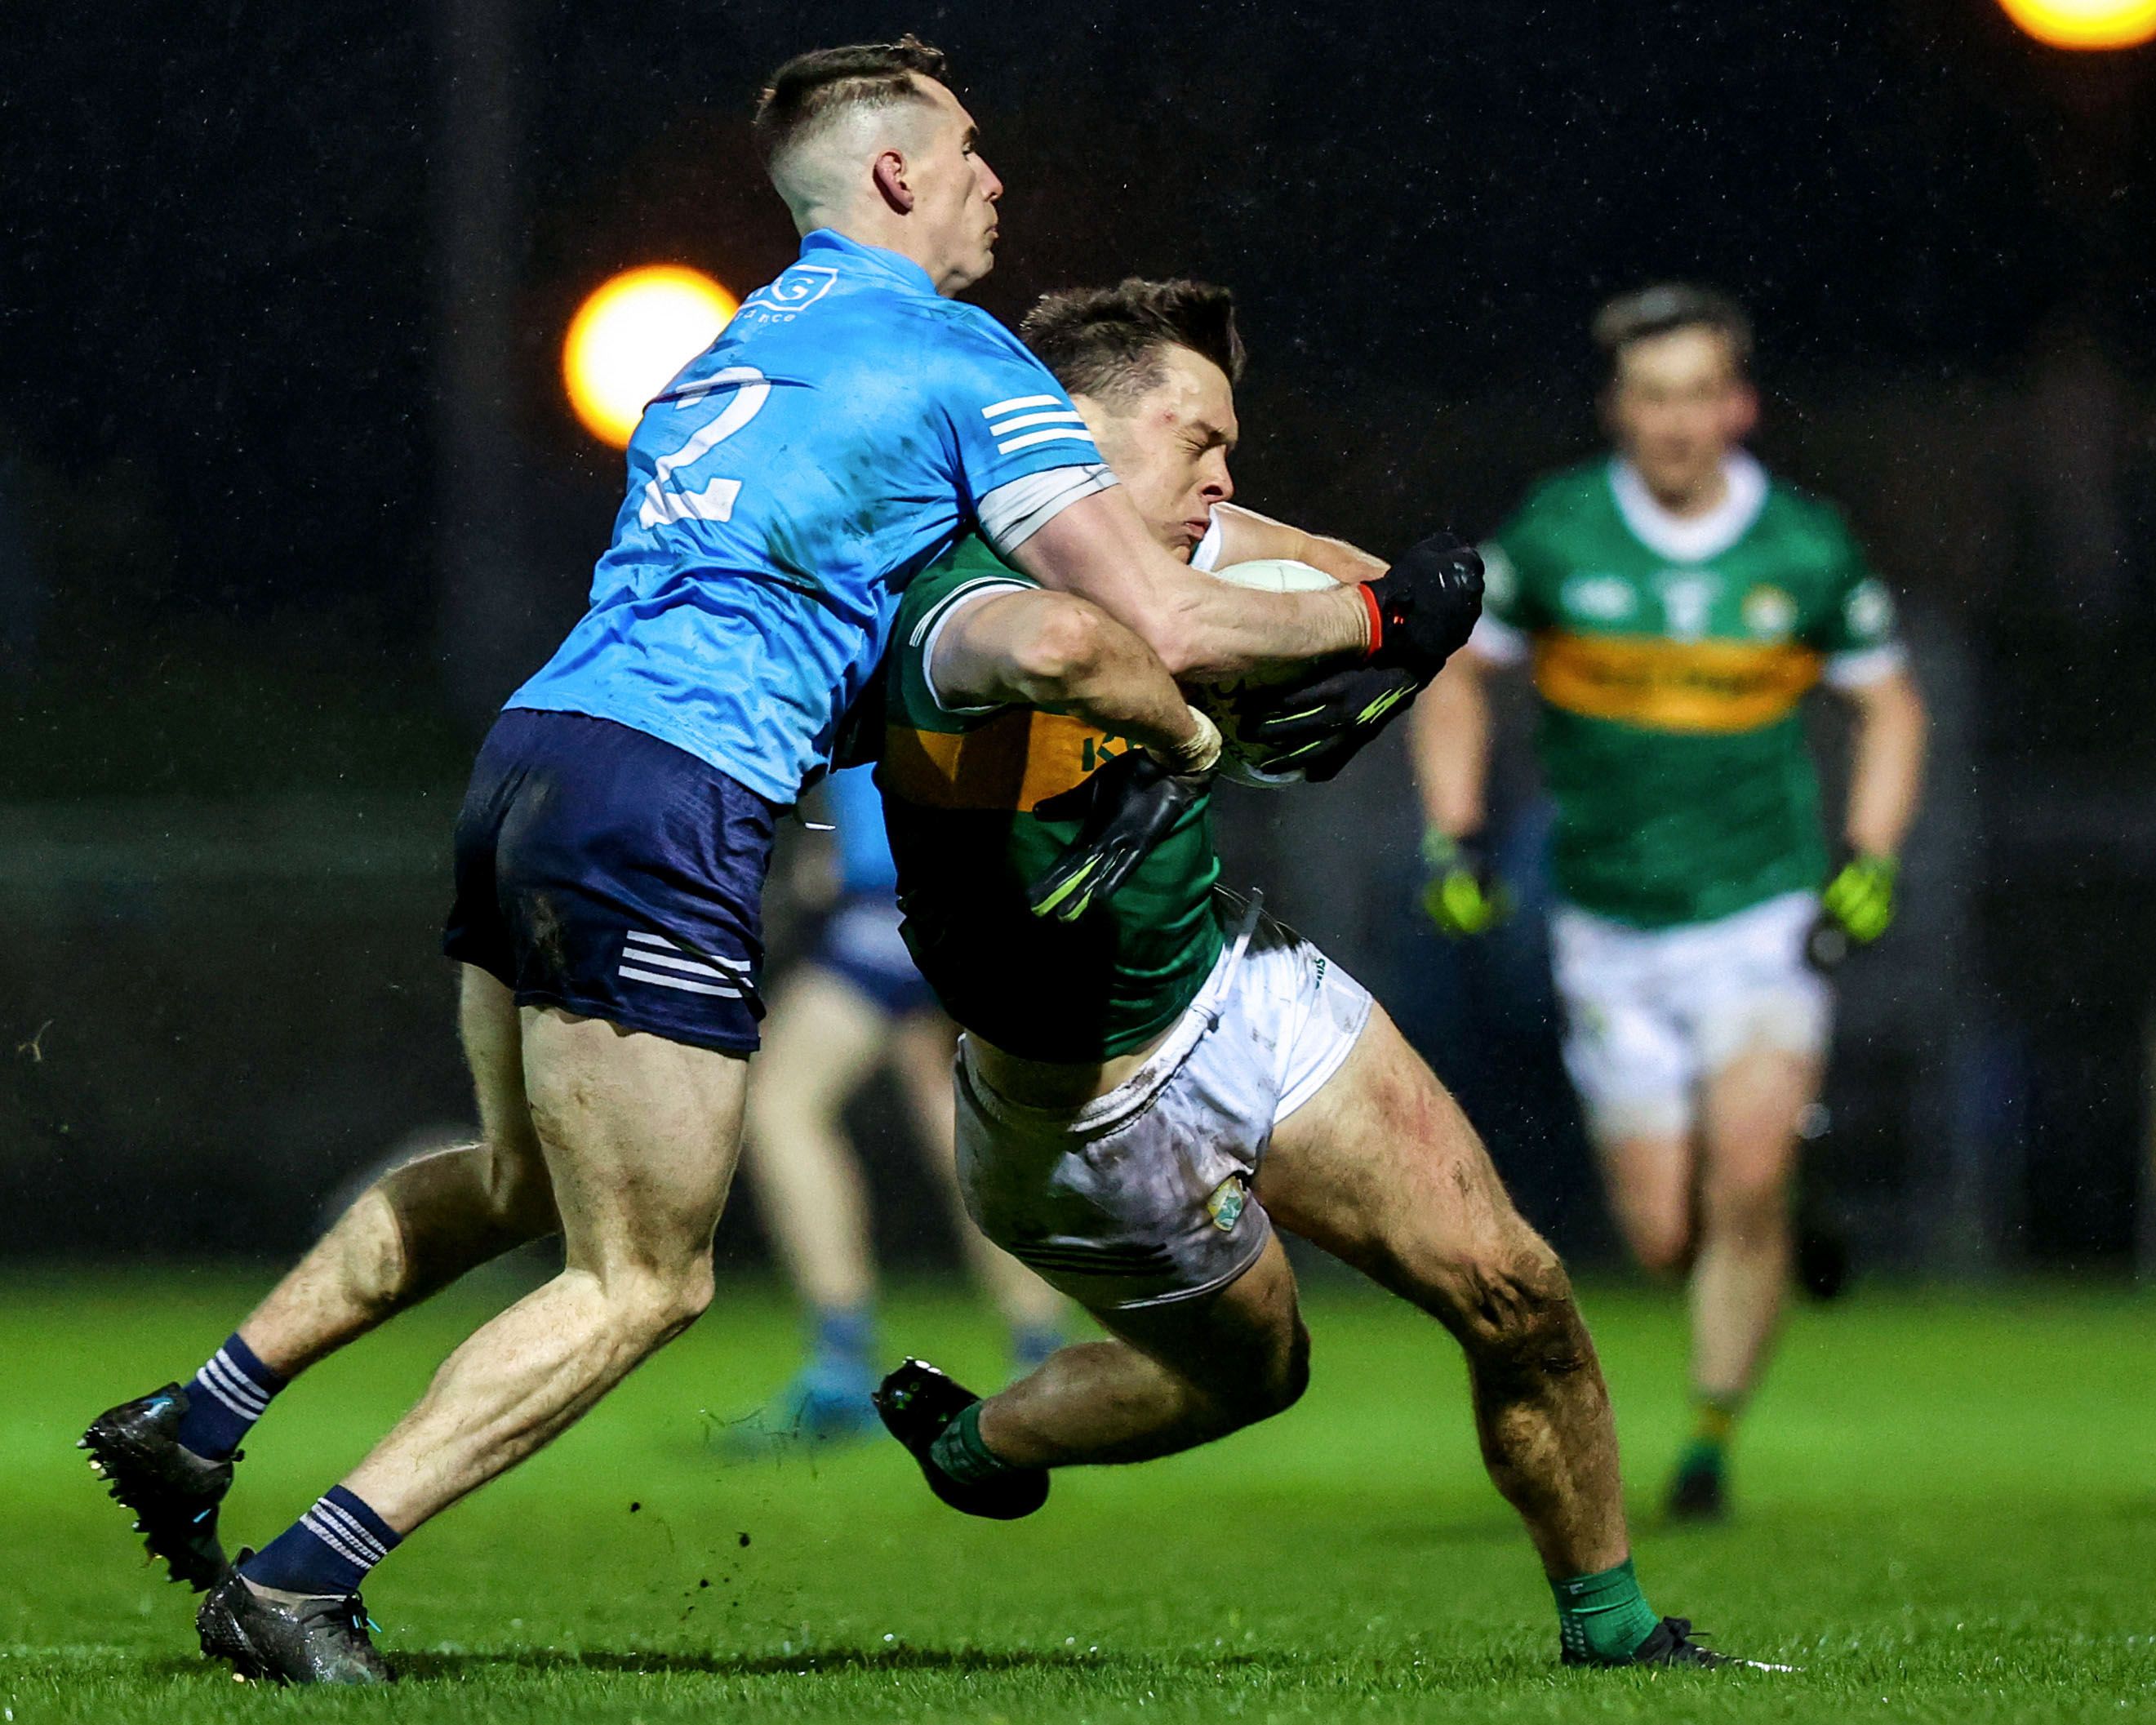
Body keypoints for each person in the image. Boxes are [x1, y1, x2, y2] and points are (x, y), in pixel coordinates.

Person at [81, 38, 1461, 1685]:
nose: (994, 179)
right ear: (891, 173)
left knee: (523, 1181)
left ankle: (199, 1415)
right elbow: (1149, 614)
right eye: (968, 149)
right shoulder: (958, 355)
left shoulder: (731, 347)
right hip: (670, 792)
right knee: (645, 1280)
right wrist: (1376, 619)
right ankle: (304, 1580)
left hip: (536, 754)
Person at [869, 277, 1756, 1669]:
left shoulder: (1185, 542)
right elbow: (1091, 644)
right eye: (1198, 440)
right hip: (1076, 1112)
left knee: (1513, 1285)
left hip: (1239, 989)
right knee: (1257, 1373)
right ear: (1068, 433)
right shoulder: (953, 586)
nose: (1224, 477)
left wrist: (1382, 632)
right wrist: (1235, 697)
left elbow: (1363, 586)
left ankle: (1616, 1632)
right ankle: (981, 1437)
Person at [1409, 284, 1927, 1521]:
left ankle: (1706, 1440)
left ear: (1738, 406)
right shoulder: (1560, 532)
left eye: (1699, 394)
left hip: (1759, 914)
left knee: (1741, 1176)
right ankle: (1778, 1220)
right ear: (1618, 408)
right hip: (1606, 924)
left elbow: (1891, 705)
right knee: (1660, 1234)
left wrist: (1870, 853)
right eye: (1652, 396)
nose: (1677, 421)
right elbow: (1458, 676)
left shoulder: (1801, 544)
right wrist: (1454, 833)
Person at [734, 763, 1063, 1447]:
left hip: (903, 896)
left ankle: (841, 1364)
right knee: (955, 1109)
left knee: (782, 1103)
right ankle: (1041, 1354)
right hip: (974, 889)